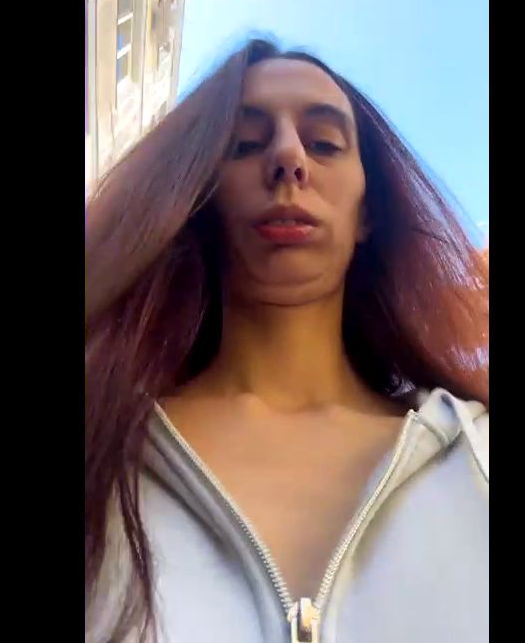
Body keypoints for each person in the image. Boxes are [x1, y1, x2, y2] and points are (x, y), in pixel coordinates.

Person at [85, 39, 489, 643]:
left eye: (324, 143)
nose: (288, 158)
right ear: (198, 195)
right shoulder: (100, 442)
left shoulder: (476, 454)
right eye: (245, 144)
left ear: (367, 213)